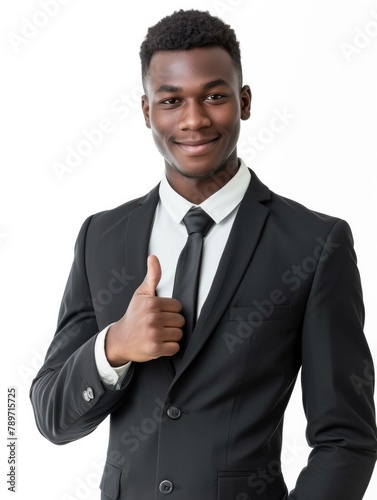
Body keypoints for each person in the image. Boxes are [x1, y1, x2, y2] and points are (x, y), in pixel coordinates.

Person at [30, 9, 376, 500]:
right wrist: (113, 348)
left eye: (214, 96)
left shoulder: (314, 244)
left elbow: (347, 439)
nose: (194, 119)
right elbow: (51, 417)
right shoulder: (100, 237)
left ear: (245, 102)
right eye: (171, 100)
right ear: (148, 111)